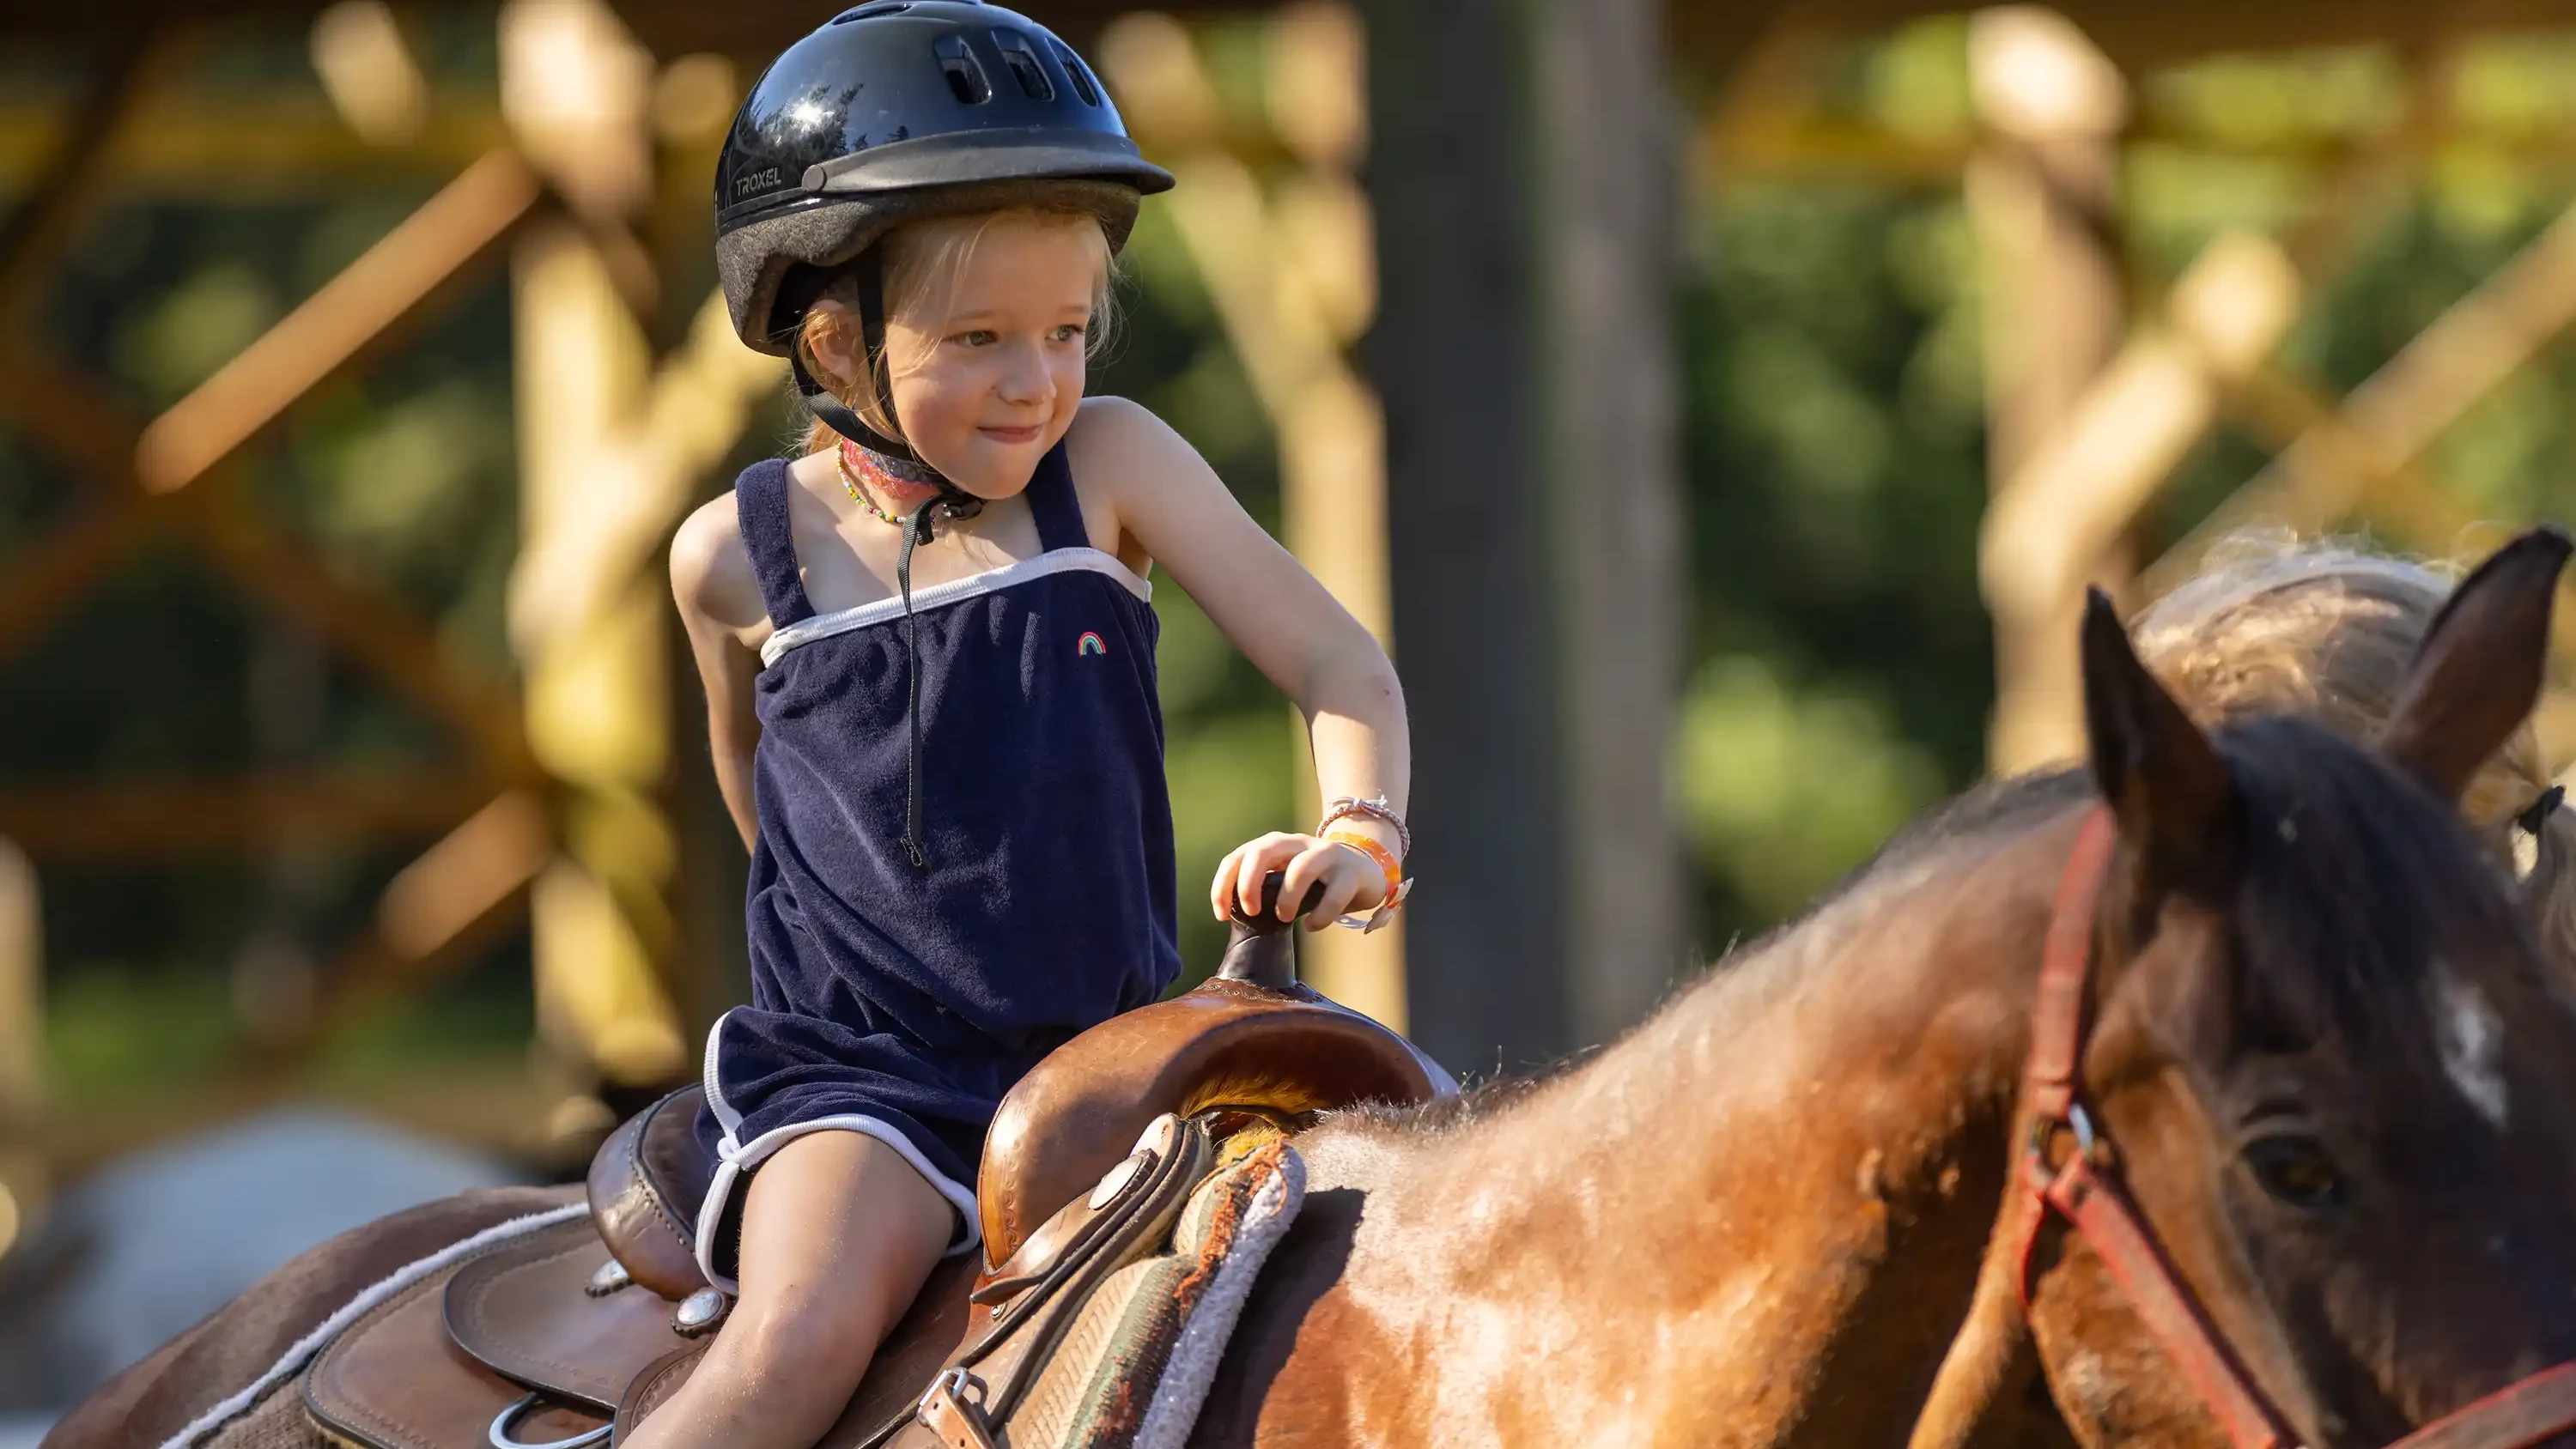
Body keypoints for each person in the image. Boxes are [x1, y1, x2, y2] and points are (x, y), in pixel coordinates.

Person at [646, 6, 1413, 1447]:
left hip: (1119, 1060)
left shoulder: (1110, 468)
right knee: (796, 1346)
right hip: (865, 1086)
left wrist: (1360, 832)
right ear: (833, 337)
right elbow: (766, 811)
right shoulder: (730, 559)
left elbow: (1337, 663)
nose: (1037, 380)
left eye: (1067, 331)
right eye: (979, 338)